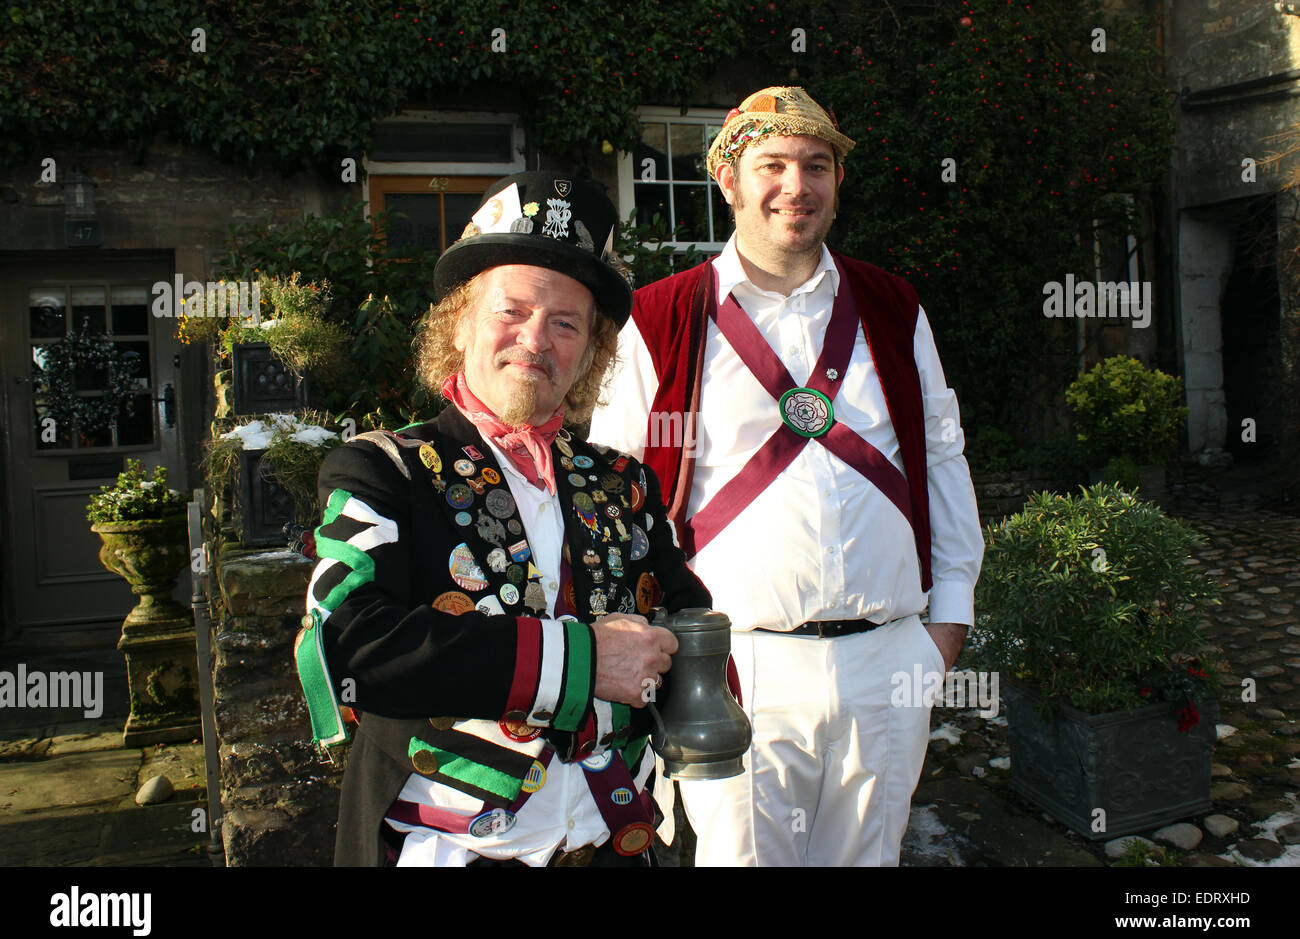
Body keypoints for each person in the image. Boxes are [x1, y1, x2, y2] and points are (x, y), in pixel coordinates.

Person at [589, 87, 985, 866]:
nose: (794, 186)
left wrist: (945, 629)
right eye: (771, 164)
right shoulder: (660, 317)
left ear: (838, 181)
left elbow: (940, 458)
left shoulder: (893, 305)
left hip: (889, 658)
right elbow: (615, 495)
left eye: (815, 165)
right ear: (729, 181)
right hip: (735, 667)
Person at [296, 171, 710, 867]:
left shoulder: (628, 483)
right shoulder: (382, 470)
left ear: (589, 352)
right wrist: (581, 663)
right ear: (459, 324)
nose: (535, 340)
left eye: (565, 323)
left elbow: (686, 624)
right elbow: (352, 646)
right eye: (510, 312)